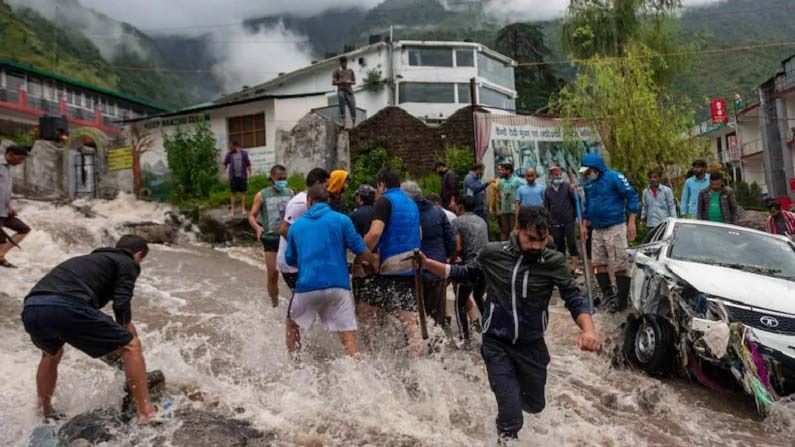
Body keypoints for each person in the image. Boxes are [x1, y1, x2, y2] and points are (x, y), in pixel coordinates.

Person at [419, 206, 600, 442]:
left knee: (535, 405)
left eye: (541, 240)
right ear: (518, 229)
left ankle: (510, 396)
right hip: (497, 343)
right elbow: (466, 273)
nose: (536, 245)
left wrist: (588, 330)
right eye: (531, 239)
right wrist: (427, 263)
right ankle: (505, 426)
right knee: (512, 417)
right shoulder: (493, 253)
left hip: (531, 346)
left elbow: (573, 298)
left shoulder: (553, 262)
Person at [20, 235, 158, 422]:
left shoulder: (87, 259)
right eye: (141, 259)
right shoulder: (127, 262)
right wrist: (126, 325)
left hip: (32, 307)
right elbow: (122, 300)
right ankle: (146, 412)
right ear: (139, 254)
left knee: (50, 354)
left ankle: (45, 411)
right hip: (66, 305)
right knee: (131, 344)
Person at [285, 185, 375, 359]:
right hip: (338, 287)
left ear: (309, 201)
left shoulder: (296, 227)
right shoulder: (342, 220)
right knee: (348, 337)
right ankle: (358, 374)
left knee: (292, 325)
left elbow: (290, 260)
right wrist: (374, 261)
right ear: (328, 201)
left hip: (306, 287)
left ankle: (294, 365)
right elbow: (360, 249)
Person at [361, 167, 423, 357]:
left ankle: (371, 356)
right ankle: (419, 364)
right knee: (410, 322)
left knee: (365, 309)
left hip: (391, 265)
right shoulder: (411, 202)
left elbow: (375, 233)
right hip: (413, 264)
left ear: (382, 185)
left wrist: (361, 253)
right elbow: (420, 233)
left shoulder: (384, 201)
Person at [579, 152, 639, 313]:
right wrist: (584, 225)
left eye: (588, 171)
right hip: (597, 229)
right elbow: (587, 206)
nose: (586, 174)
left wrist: (631, 221)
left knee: (620, 263)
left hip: (615, 227)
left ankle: (621, 300)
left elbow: (632, 196)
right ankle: (609, 296)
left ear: (596, 168)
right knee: (598, 263)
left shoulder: (614, 177)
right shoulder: (588, 184)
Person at [402, 181, 456, 328]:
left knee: (415, 319)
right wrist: (448, 261)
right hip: (436, 270)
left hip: (413, 272)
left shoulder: (405, 214)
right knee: (436, 319)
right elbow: (451, 241)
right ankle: (438, 348)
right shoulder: (438, 212)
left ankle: (417, 348)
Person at [277, 168, 330, 291]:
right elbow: (284, 229)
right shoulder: (301, 203)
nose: (327, 188)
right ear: (317, 183)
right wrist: (303, 250)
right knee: (306, 301)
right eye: (325, 185)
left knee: (307, 301)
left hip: (297, 262)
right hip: (293, 264)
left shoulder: (305, 200)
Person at [248, 164, 294, 307]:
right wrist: (257, 228)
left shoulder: (291, 193)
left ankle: (297, 300)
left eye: (285, 178)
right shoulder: (262, 195)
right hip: (271, 238)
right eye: (280, 178)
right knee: (273, 273)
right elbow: (252, 215)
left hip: (288, 237)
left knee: (295, 271)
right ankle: (274, 302)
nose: (282, 181)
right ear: (272, 178)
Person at [451, 195, 489, 341]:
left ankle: (464, 338)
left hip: (469, 267)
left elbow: (458, 247)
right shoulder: (482, 221)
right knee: (479, 298)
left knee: (459, 304)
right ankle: (489, 331)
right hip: (485, 267)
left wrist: (451, 262)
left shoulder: (457, 222)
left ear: (460, 207)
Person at [543, 166, 579, 273]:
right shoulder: (548, 191)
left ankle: (574, 266)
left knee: (572, 242)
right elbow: (546, 207)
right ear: (550, 176)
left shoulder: (568, 187)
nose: (558, 177)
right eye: (555, 175)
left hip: (569, 220)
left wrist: (576, 217)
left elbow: (574, 202)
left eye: (559, 175)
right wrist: (548, 223)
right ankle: (564, 266)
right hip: (555, 222)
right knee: (559, 244)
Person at [0, 144, 31, 268]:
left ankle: (1, 255)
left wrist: (9, 207)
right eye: (20, 159)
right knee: (1, 239)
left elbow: (4, 190)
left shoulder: (7, 168)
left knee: (24, 229)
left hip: (4, 210)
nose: (20, 162)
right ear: (10, 154)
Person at [223, 141, 252, 217]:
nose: (229, 148)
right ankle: (232, 210)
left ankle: (243, 209)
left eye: (231, 146)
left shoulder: (244, 153)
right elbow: (225, 164)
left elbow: (248, 164)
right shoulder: (229, 154)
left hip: (243, 176)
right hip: (233, 177)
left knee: (243, 192)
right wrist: (224, 174)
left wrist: (250, 174)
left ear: (235, 146)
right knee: (233, 193)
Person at [496, 162, 524, 241]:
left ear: (508, 171)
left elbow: (523, 191)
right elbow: (498, 191)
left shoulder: (517, 180)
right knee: (505, 230)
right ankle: (504, 246)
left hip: (514, 210)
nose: (502, 172)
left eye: (503, 170)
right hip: (504, 209)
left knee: (513, 229)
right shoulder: (501, 182)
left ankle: (514, 246)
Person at [333, 56, 356, 126]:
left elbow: (354, 81)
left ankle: (354, 123)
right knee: (341, 102)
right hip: (341, 90)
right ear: (340, 63)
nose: (343, 64)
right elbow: (333, 82)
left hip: (349, 90)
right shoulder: (337, 71)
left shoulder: (350, 71)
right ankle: (344, 122)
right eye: (342, 63)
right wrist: (342, 81)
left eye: (344, 62)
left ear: (346, 62)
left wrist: (350, 82)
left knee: (352, 105)